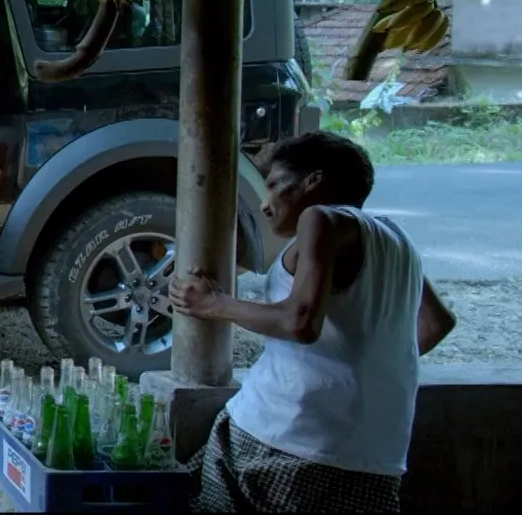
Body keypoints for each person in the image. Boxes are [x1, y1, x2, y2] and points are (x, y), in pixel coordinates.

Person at [170, 131, 457, 514]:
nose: (265, 204)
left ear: (314, 180)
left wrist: (213, 304)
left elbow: (300, 321)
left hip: (287, 439)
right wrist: (362, 369)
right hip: (376, 458)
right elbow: (437, 323)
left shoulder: (320, 218)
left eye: (275, 184)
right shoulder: (398, 239)